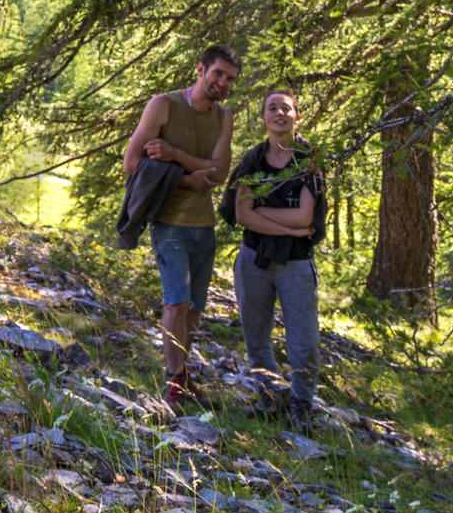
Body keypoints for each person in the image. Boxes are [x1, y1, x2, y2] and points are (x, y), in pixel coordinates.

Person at [122, 43, 239, 411]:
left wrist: (174, 157)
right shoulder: (164, 105)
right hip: (169, 221)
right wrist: (189, 178)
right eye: (217, 73)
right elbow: (131, 162)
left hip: (204, 226)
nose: (222, 82)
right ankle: (174, 383)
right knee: (177, 301)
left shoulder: (224, 117)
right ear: (200, 69)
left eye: (230, 78)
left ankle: (183, 375)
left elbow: (218, 173)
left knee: (194, 310)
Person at [229, 88, 324, 434]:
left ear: (298, 116)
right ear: (264, 118)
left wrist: (265, 215)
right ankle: (270, 395)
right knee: (256, 335)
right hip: (253, 259)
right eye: (272, 108)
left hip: (297, 263)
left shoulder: (308, 158)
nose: (279, 113)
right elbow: (242, 214)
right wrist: (289, 225)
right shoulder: (252, 160)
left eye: (286, 108)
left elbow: (306, 218)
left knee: (304, 341)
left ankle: (301, 404)